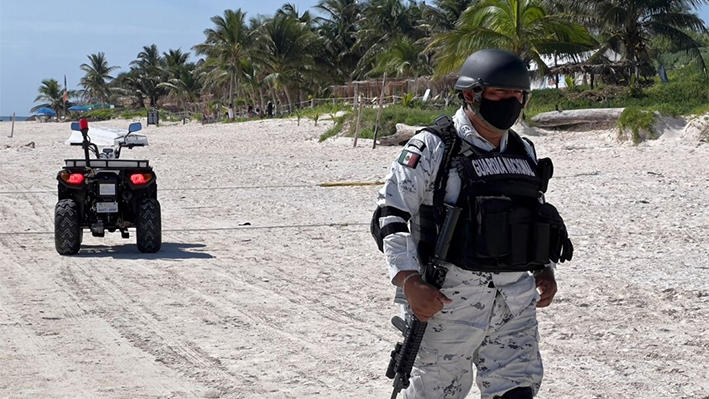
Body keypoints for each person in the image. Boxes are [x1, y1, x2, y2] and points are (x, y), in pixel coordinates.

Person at [372, 49, 573, 399]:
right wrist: (409, 281)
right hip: (446, 307)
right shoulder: (435, 146)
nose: (512, 101)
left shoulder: (523, 151)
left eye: (518, 95)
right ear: (471, 94)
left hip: (514, 304)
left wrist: (545, 268)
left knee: (518, 392)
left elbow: (533, 214)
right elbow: (389, 215)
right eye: (500, 94)